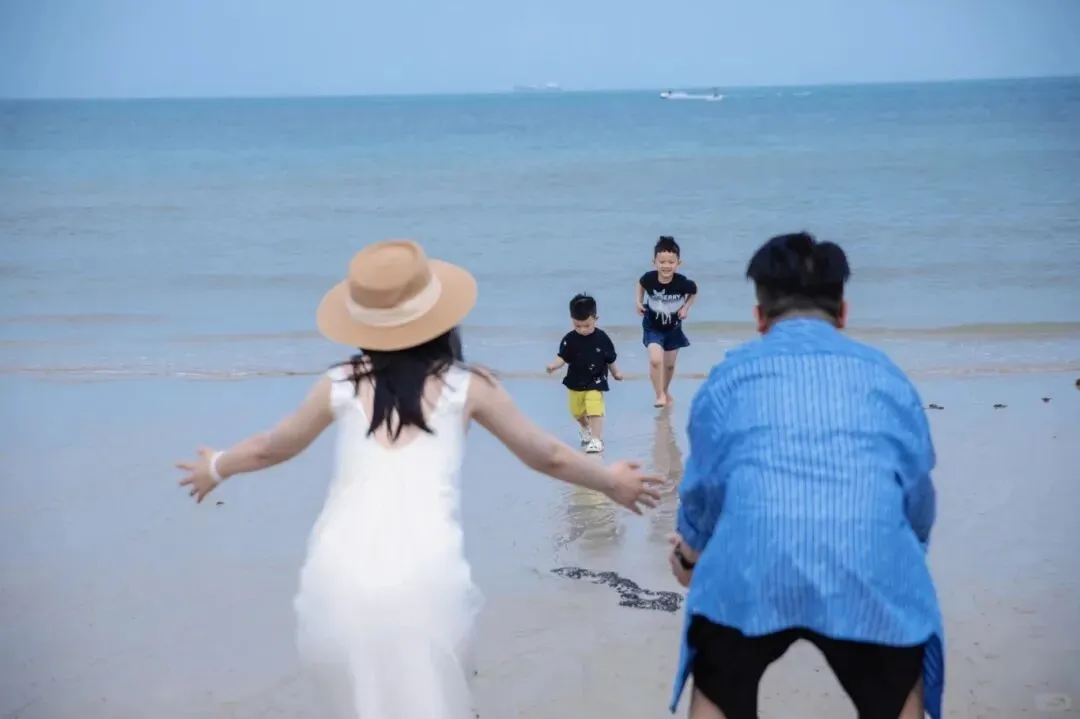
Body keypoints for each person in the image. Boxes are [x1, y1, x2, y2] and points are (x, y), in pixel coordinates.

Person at [175, 240, 663, 719]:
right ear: (440, 318)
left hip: (334, 581)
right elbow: (548, 455)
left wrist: (216, 466)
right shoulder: (467, 385)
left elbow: (271, 446)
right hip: (427, 579)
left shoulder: (341, 382)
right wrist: (610, 481)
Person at [666, 232, 944, 719]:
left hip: (751, 561)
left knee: (716, 683)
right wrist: (901, 557)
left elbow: (704, 492)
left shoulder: (727, 379)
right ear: (843, 313)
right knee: (901, 691)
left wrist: (688, 556)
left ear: (759, 317)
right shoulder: (888, 378)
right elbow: (917, 496)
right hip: (870, 558)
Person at [545, 292, 623, 453]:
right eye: (577, 326)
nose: (582, 330)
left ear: (596, 318)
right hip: (575, 381)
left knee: (595, 408)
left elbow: (609, 359)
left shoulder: (602, 338)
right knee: (576, 412)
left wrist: (616, 373)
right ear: (572, 320)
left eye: (587, 325)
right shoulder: (569, 339)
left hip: (596, 380)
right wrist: (554, 366)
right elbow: (562, 357)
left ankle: (596, 439)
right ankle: (586, 427)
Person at [636, 235, 698, 407]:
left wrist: (686, 308)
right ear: (654, 262)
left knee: (669, 365)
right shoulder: (649, 278)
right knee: (656, 360)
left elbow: (694, 291)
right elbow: (640, 284)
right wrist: (638, 302)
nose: (666, 266)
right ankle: (660, 395)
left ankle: (664, 391)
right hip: (652, 326)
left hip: (673, 328)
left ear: (678, 263)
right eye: (662, 262)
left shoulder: (682, 282)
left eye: (671, 262)